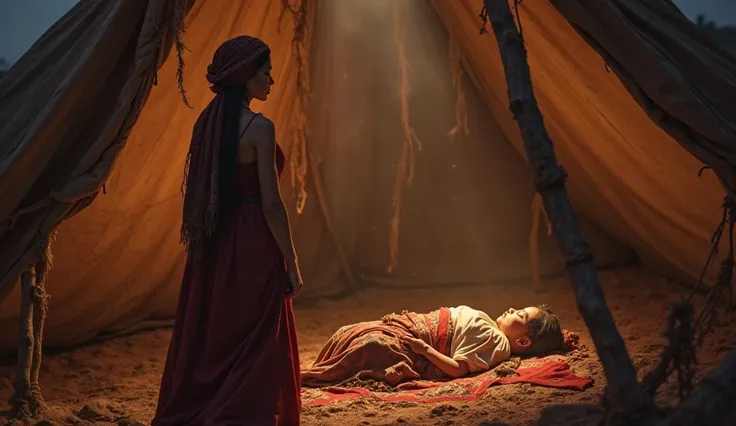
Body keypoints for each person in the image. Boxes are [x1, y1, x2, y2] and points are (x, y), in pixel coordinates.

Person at [151, 35, 303, 425]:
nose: (271, 80)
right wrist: (291, 260)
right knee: (256, 331)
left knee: (219, 326)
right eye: (266, 72)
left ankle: (215, 399)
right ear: (245, 75)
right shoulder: (260, 128)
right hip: (253, 237)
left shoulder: (207, 124)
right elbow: (271, 203)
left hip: (215, 237)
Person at [301, 304, 576, 387]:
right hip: (412, 327)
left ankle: (320, 374)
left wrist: (424, 349)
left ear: (524, 341)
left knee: (372, 344)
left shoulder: (498, 342)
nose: (513, 309)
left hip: (421, 343)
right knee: (350, 332)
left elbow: (459, 369)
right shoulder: (493, 330)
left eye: (521, 315)